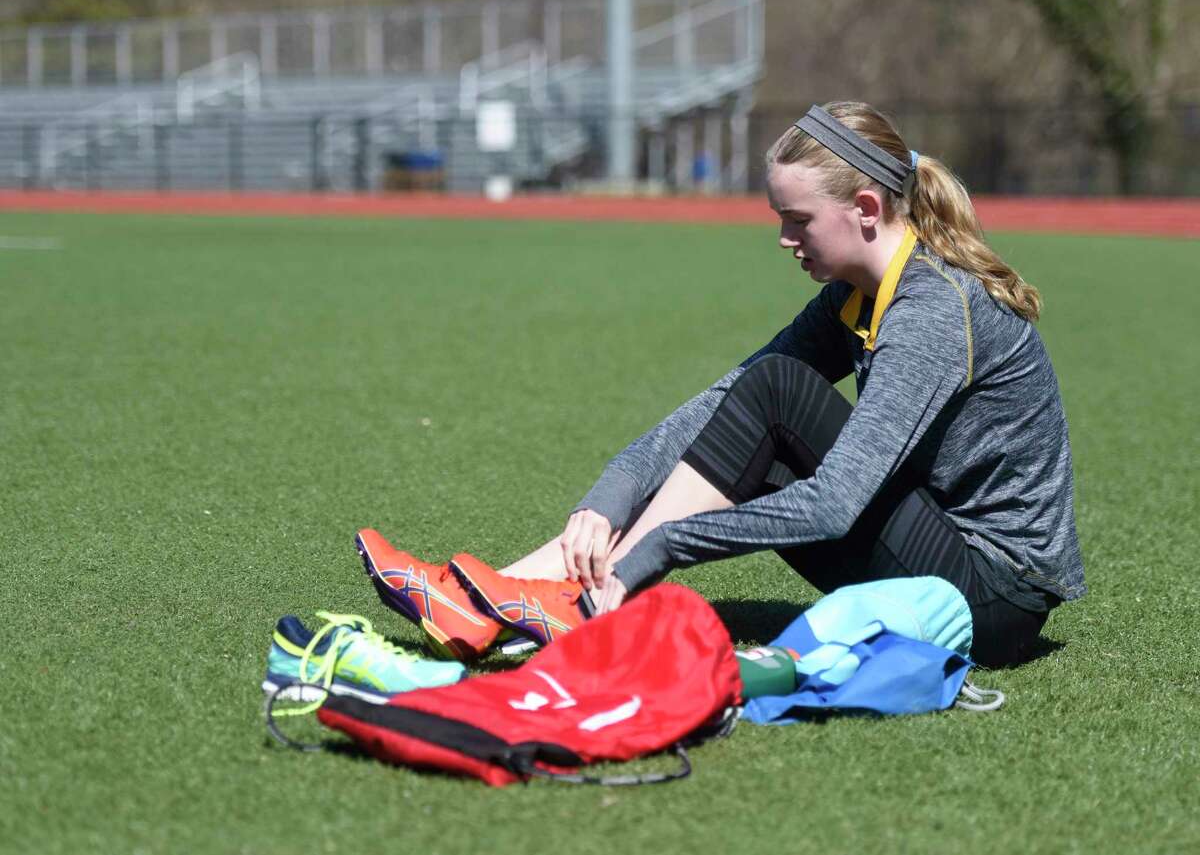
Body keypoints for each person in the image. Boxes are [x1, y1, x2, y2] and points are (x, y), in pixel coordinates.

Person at [359, 101, 1085, 669]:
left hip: (990, 599)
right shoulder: (855, 296)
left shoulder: (930, 308)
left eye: (797, 219)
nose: (783, 239)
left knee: (779, 390)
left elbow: (836, 503)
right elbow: (721, 406)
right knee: (762, 396)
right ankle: (488, 597)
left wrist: (667, 543)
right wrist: (606, 497)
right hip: (934, 553)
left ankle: (584, 599)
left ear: (865, 209)